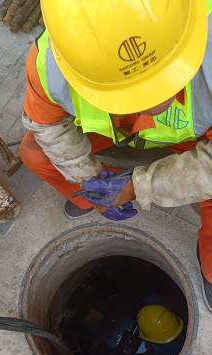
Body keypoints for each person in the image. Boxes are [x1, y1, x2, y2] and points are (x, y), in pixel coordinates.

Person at [20, 0, 212, 309]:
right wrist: (89, 177)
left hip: (196, 138)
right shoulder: (51, 63)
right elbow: (48, 126)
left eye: (159, 83)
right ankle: (90, 198)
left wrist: (140, 186)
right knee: (34, 153)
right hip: (116, 130)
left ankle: (211, 268)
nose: (148, 105)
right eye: (130, 92)